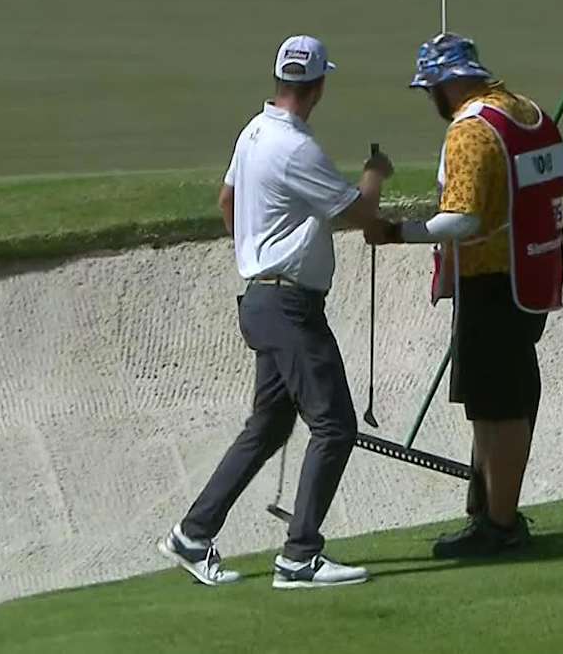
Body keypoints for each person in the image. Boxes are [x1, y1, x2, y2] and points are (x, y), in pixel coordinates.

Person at [157, 34, 394, 589]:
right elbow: (359, 213)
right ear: (319, 86)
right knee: (335, 426)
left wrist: (253, 251)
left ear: (281, 80)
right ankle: (300, 557)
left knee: (268, 426)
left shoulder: (254, 132)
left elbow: (226, 201)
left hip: (263, 299)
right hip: (289, 306)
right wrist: (376, 174)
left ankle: (192, 535)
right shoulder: (295, 147)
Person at [365, 32, 563, 559]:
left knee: (496, 406)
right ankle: (493, 509)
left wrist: (396, 232)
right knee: (512, 396)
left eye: (429, 88)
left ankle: (498, 525)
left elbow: (463, 219)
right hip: (531, 275)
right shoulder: (529, 112)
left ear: (446, 84)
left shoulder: (471, 130)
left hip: (491, 281)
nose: (429, 100)